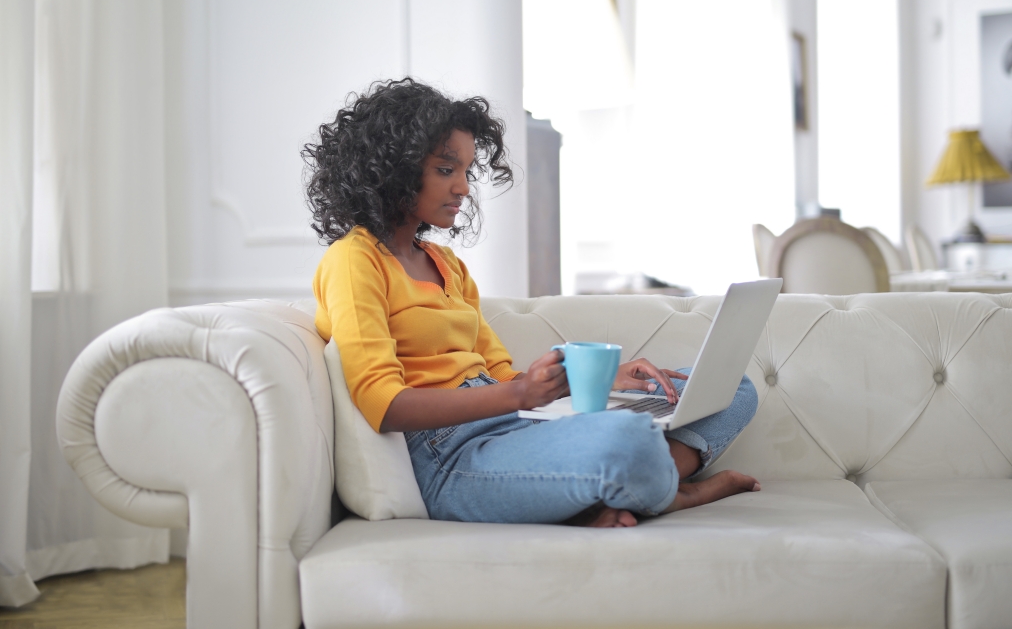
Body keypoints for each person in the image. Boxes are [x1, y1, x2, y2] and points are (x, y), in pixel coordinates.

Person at [305, 78, 760, 528]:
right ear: (394, 169)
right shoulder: (354, 259)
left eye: (466, 171)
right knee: (627, 438)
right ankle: (678, 493)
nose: (463, 187)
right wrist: (518, 395)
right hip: (451, 458)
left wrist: (594, 381)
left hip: (515, 427)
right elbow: (384, 405)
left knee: (732, 388)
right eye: (446, 170)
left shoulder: (446, 264)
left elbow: (501, 376)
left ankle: (618, 490)